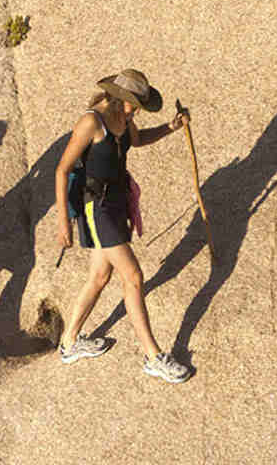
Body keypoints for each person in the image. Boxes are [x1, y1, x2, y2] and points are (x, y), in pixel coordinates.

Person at [53, 69, 193, 384]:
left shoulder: (124, 120)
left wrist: (171, 127)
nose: (135, 111)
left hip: (116, 203)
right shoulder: (92, 122)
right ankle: (154, 356)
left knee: (100, 277)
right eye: (132, 104)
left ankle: (69, 342)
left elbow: (139, 140)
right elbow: (61, 171)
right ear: (118, 98)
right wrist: (65, 223)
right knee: (133, 276)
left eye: (138, 106)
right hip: (96, 208)